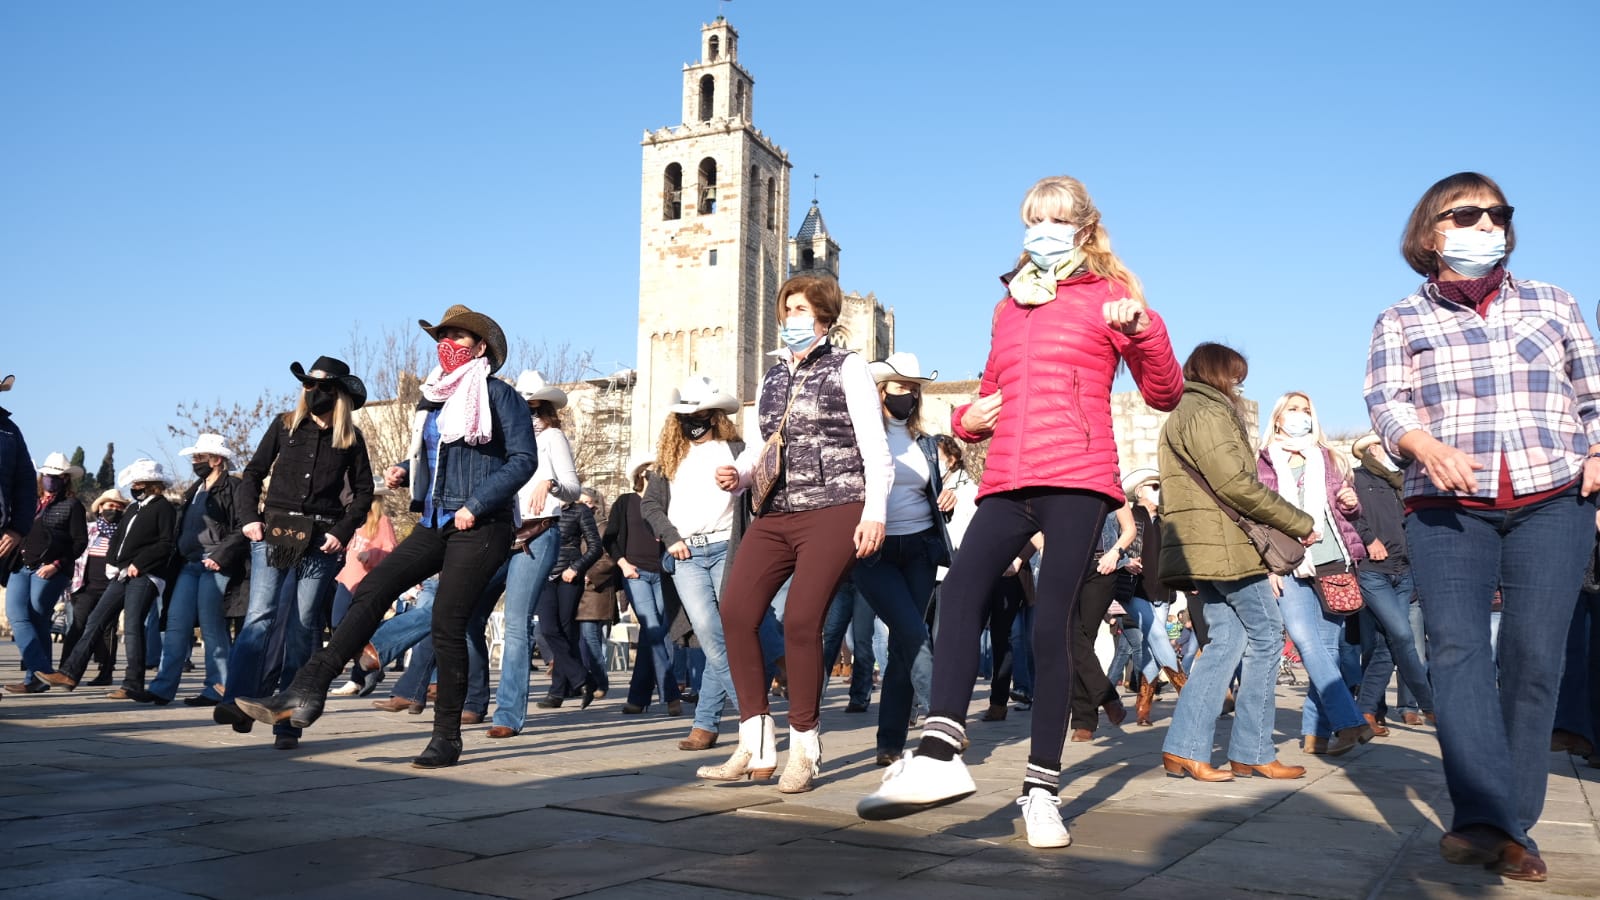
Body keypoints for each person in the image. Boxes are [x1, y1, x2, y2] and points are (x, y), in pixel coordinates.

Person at [859, 175, 1182, 848]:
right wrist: (971, 421)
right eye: (1035, 217)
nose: (1044, 228)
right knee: (963, 593)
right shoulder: (1010, 303)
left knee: (1050, 626)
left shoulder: (1111, 297)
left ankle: (1041, 790)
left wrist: (1144, 329)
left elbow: (1164, 392)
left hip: (1077, 476)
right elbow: (989, 393)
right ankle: (943, 751)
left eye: (1058, 218)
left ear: (1085, 228)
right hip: (1007, 475)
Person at [1364, 172, 1600, 882]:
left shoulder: (1554, 304)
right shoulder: (1401, 318)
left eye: (1498, 214)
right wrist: (1422, 445)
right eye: (1468, 214)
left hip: (1554, 497)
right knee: (1459, 652)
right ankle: (1485, 820)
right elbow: (1385, 398)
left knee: (1534, 657)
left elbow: (1593, 393)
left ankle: (1509, 820)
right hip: (1444, 506)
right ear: (1431, 232)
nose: (1487, 225)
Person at [236, 304, 536, 769]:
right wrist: (406, 466)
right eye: (443, 336)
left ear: (480, 348)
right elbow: (434, 455)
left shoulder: (499, 396)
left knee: (447, 624)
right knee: (372, 589)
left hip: (482, 525)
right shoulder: (433, 398)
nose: (447, 344)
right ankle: (307, 691)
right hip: (437, 520)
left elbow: (522, 460)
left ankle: (447, 737)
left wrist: (477, 504)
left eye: (458, 337)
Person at [700, 275, 894, 793]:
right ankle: (754, 743)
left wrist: (874, 511)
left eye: (801, 309)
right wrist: (738, 475)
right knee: (736, 611)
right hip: (774, 511)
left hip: (836, 507)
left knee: (802, 620)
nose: (791, 318)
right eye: (786, 309)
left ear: (824, 316)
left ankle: (805, 746)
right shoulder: (772, 375)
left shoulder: (848, 367)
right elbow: (762, 444)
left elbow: (875, 446)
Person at [1152, 344, 1315, 784]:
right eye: (1236, 377)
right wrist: (1298, 521)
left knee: (1226, 640)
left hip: (1201, 545)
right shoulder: (1207, 411)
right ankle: (1252, 750)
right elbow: (1235, 485)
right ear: (1219, 375)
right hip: (1222, 546)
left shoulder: (1184, 410)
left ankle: (1184, 749)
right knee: (1266, 635)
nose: (1239, 385)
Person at [211, 356, 374, 750]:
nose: (313, 392)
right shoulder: (285, 425)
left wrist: (341, 531)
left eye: (322, 387)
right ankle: (237, 699)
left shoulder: (350, 438)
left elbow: (364, 493)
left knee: (303, 624)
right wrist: (250, 517)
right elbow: (252, 474)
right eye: (308, 385)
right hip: (276, 531)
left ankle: (288, 719)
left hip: (321, 538)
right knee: (260, 615)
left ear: (338, 394)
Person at [1257, 392, 1374, 756]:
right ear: (1278, 418)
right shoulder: (1262, 463)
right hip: (1287, 563)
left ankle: (1315, 733)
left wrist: (1351, 504)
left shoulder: (1330, 458)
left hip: (1331, 560)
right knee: (1306, 642)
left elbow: (1348, 513)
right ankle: (1349, 720)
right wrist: (1266, 566)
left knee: (1326, 650)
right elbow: (1258, 518)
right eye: (1293, 410)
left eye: (1306, 411)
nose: (1300, 416)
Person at [639, 374, 750, 751]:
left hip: (726, 549)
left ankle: (706, 724)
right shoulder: (670, 458)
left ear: (715, 413)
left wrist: (740, 481)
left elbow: (756, 493)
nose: (693, 421)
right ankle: (753, 716)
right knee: (708, 632)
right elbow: (649, 504)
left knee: (726, 635)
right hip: (685, 555)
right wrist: (671, 538)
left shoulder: (736, 450)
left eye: (700, 413)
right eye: (686, 414)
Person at [850, 352, 946, 766]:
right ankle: (942, 718)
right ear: (881, 390)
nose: (908, 393)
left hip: (921, 548)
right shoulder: (860, 436)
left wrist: (948, 501)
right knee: (911, 632)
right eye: (900, 385)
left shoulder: (925, 442)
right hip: (876, 550)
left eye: (913, 388)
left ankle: (889, 743)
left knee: (906, 646)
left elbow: (926, 490)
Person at [483, 370, 579, 738]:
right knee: (465, 611)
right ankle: (473, 700)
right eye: (522, 408)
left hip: (537, 533)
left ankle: (507, 713)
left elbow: (573, 488)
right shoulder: (500, 438)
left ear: (546, 409)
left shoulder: (553, 437)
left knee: (516, 622)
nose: (530, 415)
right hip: (498, 530)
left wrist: (550, 481)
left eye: (535, 409)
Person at [40, 459, 176, 699]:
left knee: (132, 627)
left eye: (139, 482)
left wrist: (140, 564)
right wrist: (114, 562)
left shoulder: (162, 507)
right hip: (122, 574)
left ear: (151, 483)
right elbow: (118, 540)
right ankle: (70, 672)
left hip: (146, 575)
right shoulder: (134, 508)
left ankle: (133, 683)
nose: (134, 486)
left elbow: (165, 543)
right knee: (95, 620)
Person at [147, 434, 248, 706]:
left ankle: (218, 688)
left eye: (199, 457)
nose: (194, 461)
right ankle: (162, 687)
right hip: (188, 564)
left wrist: (221, 555)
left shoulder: (234, 488)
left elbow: (243, 527)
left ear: (217, 460)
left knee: (213, 628)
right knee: (176, 625)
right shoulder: (194, 490)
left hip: (214, 566)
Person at [1349, 432, 1434, 732]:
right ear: (1374, 448)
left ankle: (1366, 713)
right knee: (1401, 636)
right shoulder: (1357, 479)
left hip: (1404, 571)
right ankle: (1431, 704)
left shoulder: (1405, 480)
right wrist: (1369, 539)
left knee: (1387, 645)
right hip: (1374, 571)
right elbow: (1349, 515)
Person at [606, 457, 682, 717]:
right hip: (635, 573)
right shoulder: (626, 501)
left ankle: (638, 699)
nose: (657, 474)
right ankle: (671, 694)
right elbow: (610, 539)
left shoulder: (666, 505)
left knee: (658, 634)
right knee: (652, 628)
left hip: (662, 574)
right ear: (641, 474)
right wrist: (623, 564)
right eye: (652, 471)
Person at [6, 452, 86, 694]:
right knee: (18, 616)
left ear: (65, 479)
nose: (52, 479)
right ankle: (43, 671)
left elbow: (79, 542)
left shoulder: (72, 506)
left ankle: (35, 678)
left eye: (57, 476)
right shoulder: (29, 503)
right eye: (49, 475)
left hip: (50, 569)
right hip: (20, 566)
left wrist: (57, 565)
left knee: (39, 618)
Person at [1124, 467, 1186, 725]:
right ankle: (1187, 692)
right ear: (1140, 491)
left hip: (1162, 590)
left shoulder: (1166, 521)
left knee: (1152, 651)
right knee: (1159, 637)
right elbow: (1115, 543)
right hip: (1134, 588)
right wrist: (1125, 560)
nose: (1159, 492)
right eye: (1154, 487)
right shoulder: (1128, 516)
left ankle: (1143, 705)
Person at [1067, 507, 1136, 742]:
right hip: (1067, 567)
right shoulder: (1061, 481)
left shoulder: (1111, 485)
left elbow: (1130, 530)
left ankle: (1084, 721)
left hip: (1102, 567)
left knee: (1083, 639)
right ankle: (1106, 696)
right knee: (1071, 638)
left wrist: (1115, 553)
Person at [61, 489, 125, 684]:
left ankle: (105, 672)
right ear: (100, 508)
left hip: (112, 587)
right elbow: (75, 555)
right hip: (86, 587)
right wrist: (71, 585)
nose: (113, 509)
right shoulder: (87, 529)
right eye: (110, 505)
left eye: (118, 506)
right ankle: (65, 669)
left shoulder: (124, 533)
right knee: (77, 626)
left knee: (108, 630)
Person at [330, 482, 396, 631]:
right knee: (337, 623)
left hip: (367, 584)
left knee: (358, 628)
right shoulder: (355, 518)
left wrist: (371, 555)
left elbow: (391, 553)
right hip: (346, 581)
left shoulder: (383, 522)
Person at [572, 487, 614, 699]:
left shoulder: (603, 527)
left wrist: (589, 575)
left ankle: (600, 681)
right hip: (575, 589)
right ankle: (581, 681)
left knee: (590, 638)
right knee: (577, 639)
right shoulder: (576, 525)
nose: (582, 506)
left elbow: (609, 558)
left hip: (594, 591)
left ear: (594, 505)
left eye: (586, 502)